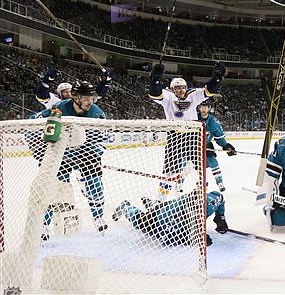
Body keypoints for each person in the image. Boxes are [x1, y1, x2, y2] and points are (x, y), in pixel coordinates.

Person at [30, 80, 110, 240]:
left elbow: (106, 138)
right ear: (75, 97)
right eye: (86, 98)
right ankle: (44, 225)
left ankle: (98, 218)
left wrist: (94, 154)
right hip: (62, 154)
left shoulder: (97, 113)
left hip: (86, 152)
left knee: (95, 184)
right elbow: (33, 121)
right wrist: (38, 149)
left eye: (92, 98)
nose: (90, 102)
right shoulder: (60, 107)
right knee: (55, 188)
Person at [147, 62, 226, 200]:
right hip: (175, 137)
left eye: (183, 87)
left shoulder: (193, 94)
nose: (181, 90)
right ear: (172, 89)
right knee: (170, 171)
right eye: (177, 88)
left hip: (193, 137)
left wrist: (217, 78)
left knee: (201, 167)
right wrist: (155, 79)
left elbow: (209, 90)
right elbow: (155, 93)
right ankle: (160, 199)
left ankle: (202, 195)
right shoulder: (168, 97)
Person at [111, 190, 228, 247]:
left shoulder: (210, 202)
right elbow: (169, 240)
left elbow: (220, 198)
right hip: (158, 219)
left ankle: (151, 204)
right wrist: (197, 238)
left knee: (160, 208)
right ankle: (126, 207)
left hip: (167, 206)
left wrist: (220, 218)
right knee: (140, 222)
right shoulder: (182, 218)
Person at [197, 99, 237, 192]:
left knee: (213, 162)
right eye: (202, 107)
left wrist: (226, 146)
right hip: (192, 145)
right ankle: (179, 182)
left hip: (206, 145)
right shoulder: (194, 117)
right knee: (185, 164)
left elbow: (219, 137)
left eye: (206, 107)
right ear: (199, 108)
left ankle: (220, 182)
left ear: (209, 108)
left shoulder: (213, 121)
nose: (203, 109)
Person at [36, 67, 113, 109]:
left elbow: (97, 95)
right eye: (65, 92)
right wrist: (46, 81)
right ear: (60, 93)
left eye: (70, 91)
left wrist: (105, 82)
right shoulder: (55, 101)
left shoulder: (77, 102)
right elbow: (41, 95)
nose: (69, 94)